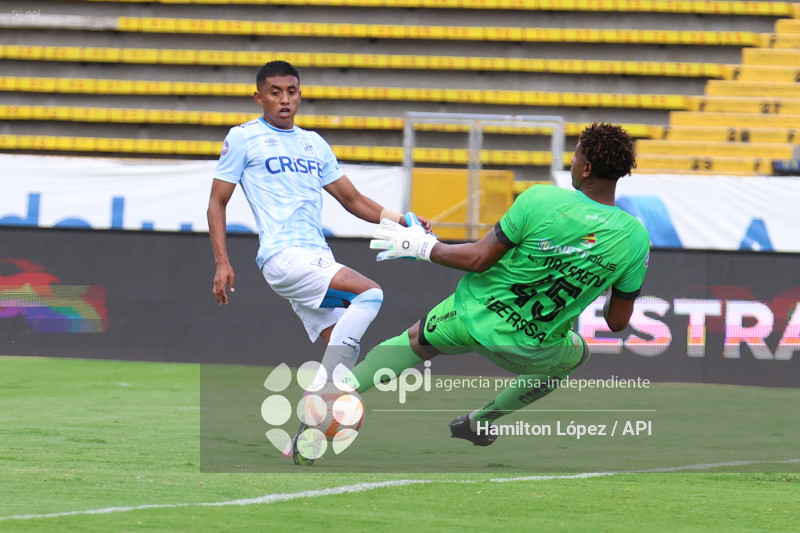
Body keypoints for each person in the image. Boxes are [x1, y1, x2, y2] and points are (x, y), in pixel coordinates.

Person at [347, 122, 650, 446]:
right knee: (577, 354)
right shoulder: (636, 238)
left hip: (470, 319)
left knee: (412, 343)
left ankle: (336, 393)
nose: (572, 162)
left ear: (586, 168)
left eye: (575, 156)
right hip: (533, 349)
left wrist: (423, 247)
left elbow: (479, 258)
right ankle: (482, 421)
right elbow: (617, 322)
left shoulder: (541, 199)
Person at [207, 60, 430, 460]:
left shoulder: (313, 143)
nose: (284, 100)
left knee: (343, 353)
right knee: (370, 294)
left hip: (315, 257)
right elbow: (216, 202)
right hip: (284, 256)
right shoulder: (243, 138)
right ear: (259, 97)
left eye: (291, 91)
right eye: (275, 92)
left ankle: (303, 439)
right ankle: (322, 393)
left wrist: (402, 220)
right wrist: (222, 261)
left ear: (300, 94)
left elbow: (353, 200)